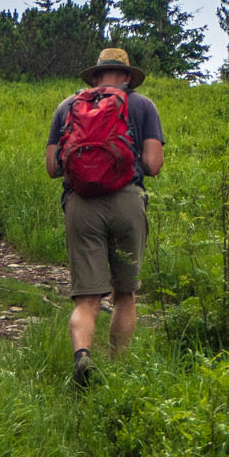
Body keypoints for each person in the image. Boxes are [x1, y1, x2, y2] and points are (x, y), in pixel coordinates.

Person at [46, 47, 165, 386]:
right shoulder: (142, 105)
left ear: (95, 76)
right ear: (127, 76)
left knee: (86, 299)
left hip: (81, 204)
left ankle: (82, 355)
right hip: (128, 200)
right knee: (125, 294)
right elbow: (154, 164)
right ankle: (118, 367)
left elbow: (52, 168)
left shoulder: (67, 107)